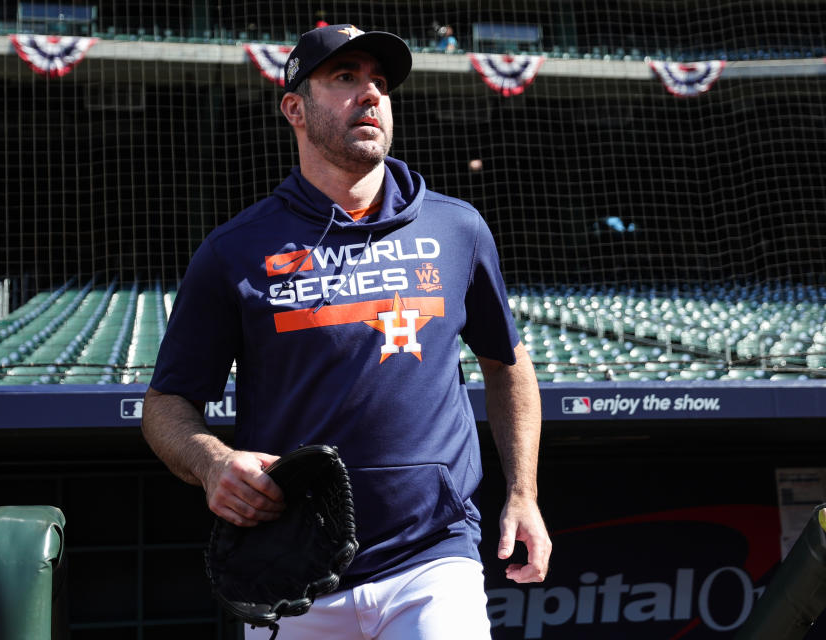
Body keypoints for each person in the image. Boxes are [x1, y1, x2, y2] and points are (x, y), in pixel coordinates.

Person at [142, 23, 551, 639]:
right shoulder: (234, 250)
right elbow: (166, 404)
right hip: (290, 571)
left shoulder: (458, 229)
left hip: (433, 560)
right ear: (295, 109)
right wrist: (213, 464)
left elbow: (507, 364)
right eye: (345, 78)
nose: (370, 94)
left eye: (380, 82)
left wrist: (524, 493)